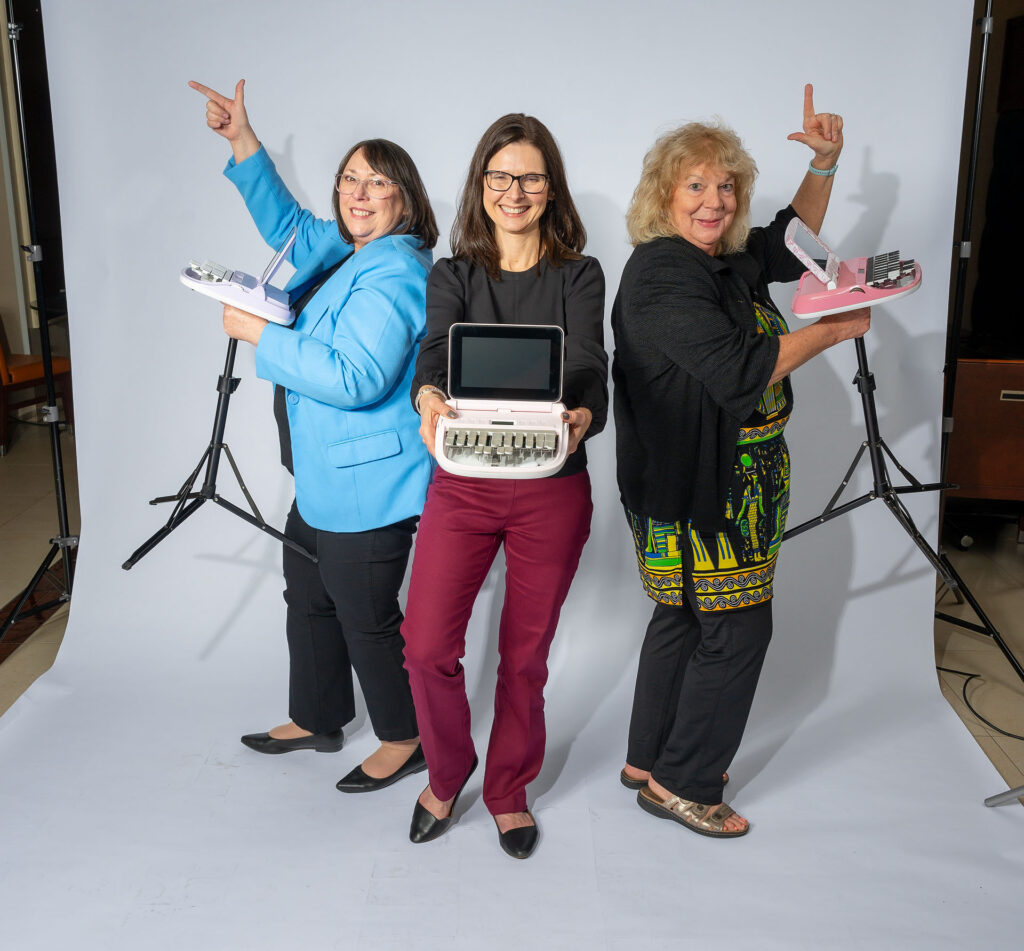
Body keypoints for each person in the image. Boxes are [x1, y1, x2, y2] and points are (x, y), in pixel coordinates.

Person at [612, 85, 870, 837]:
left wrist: (825, 163)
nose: (715, 200)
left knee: (685, 616)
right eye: (696, 185)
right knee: (737, 631)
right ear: (664, 195)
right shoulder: (664, 272)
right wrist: (833, 325)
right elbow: (738, 368)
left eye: (726, 186)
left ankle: (647, 757)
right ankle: (683, 783)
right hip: (708, 483)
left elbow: (793, 239)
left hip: (708, 474)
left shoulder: (720, 262)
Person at [188, 79, 437, 793]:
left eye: (378, 182)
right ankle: (319, 714)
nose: (359, 193)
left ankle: (404, 736)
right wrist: (242, 139)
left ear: (405, 200)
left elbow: (357, 375)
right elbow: (292, 228)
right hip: (324, 474)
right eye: (350, 178)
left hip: (369, 484)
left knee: (365, 614)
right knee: (308, 593)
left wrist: (262, 333)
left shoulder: (396, 272)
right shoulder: (346, 249)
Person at [402, 114, 607, 859]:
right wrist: (428, 398)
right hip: (463, 480)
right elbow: (433, 355)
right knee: (425, 645)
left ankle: (508, 788)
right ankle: (449, 768)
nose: (513, 191)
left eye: (528, 177)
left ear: (550, 188)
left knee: (523, 656)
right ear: (479, 186)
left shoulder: (578, 273)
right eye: (499, 176)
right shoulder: (452, 274)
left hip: (552, 481)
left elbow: (588, 361)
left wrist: (580, 413)